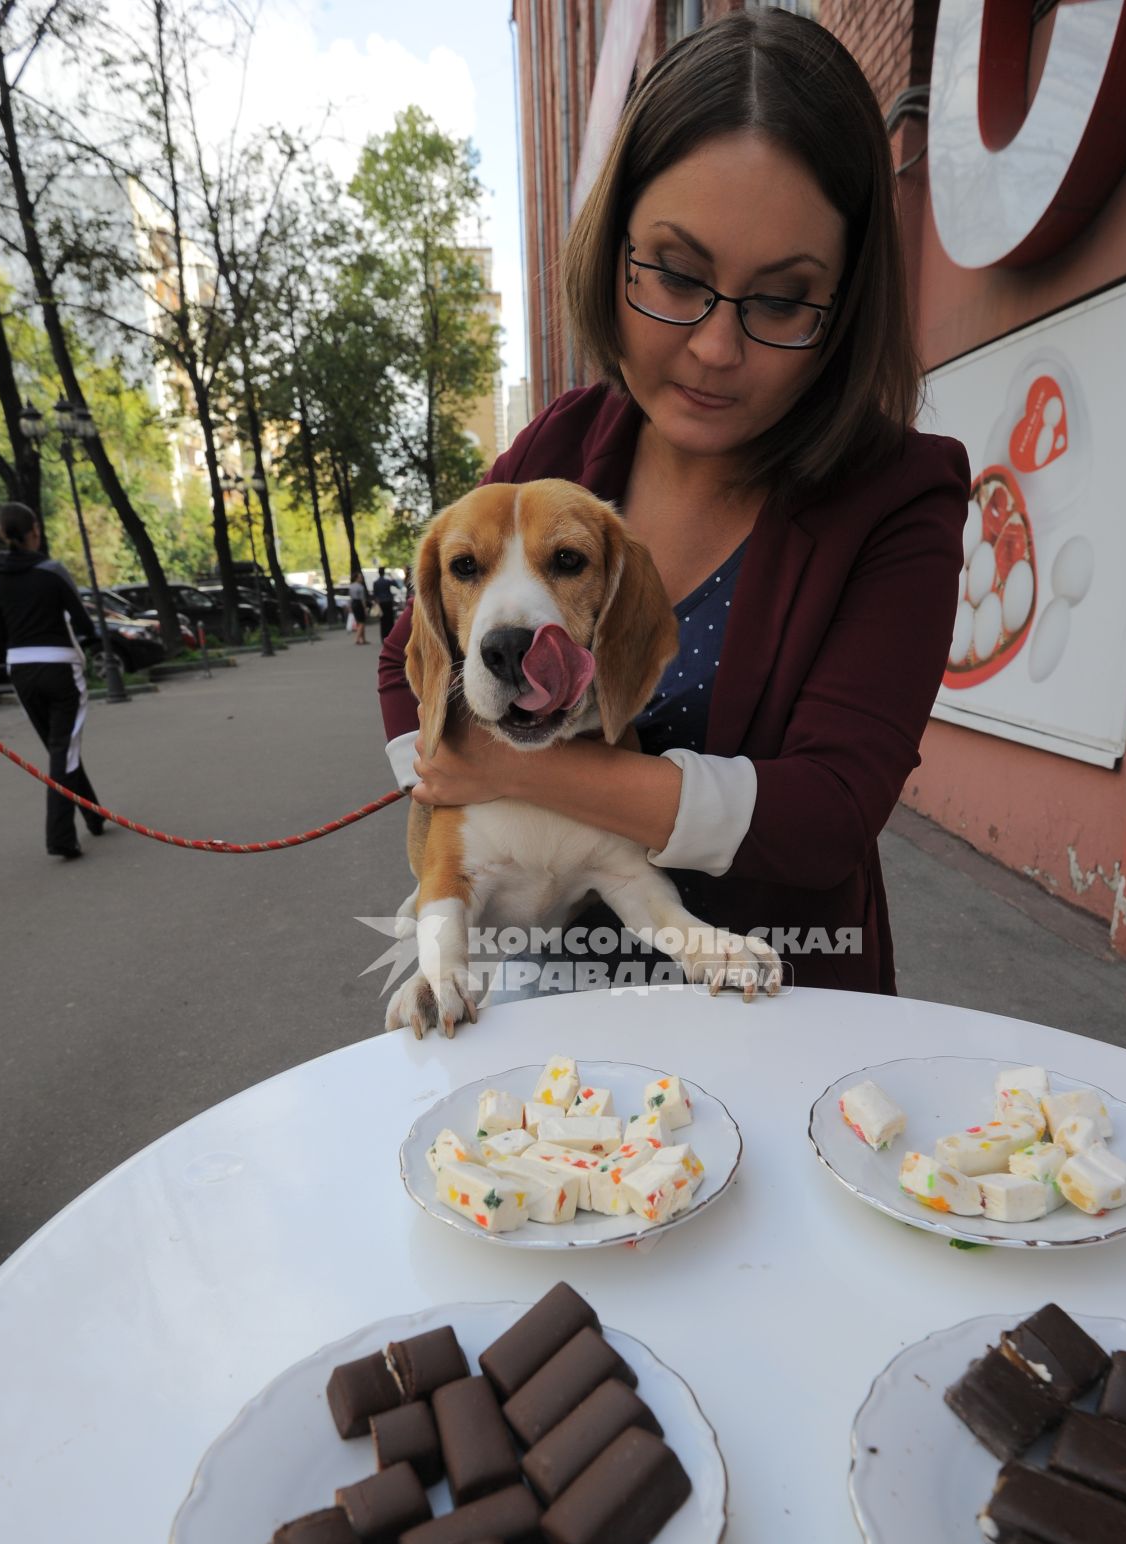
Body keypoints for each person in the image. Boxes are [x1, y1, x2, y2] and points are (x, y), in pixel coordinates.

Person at [377, 10, 970, 995]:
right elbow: (418, 663)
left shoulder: (899, 500)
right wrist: (457, 814)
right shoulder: (559, 445)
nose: (712, 347)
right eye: (675, 273)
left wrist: (512, 769)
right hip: (538, 1003)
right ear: (612, 249)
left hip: (772, 1008)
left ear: (846, 306)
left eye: (780, 298)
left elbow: (823, 813)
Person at [0, 502, 104, 861]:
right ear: (33, 530)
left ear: (4, 534)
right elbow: (84, 625)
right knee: (61, 750)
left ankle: (94, 815)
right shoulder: (52, 571)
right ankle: (61, 837)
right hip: (61, 669)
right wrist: (87, 639)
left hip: (21, 671)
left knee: (59, 748)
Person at [370, 565, 396, 642]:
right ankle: (391, 636)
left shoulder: (376, 583)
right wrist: (391, 576)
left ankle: (383, 637)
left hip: (381, 603)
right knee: (390, 620)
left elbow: (375, 594)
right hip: (388, 601)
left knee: (383, 620)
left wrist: (376, 602)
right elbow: (396, 584)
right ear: (384, 572)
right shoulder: (387, 581)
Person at [348, 567, 370, 644]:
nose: (362, 578)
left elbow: (350, 597)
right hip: (359, 604)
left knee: (358, 622)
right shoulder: (360, 587)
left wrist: (350, 606)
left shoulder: (351, 586)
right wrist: (365, 609)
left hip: (354, 603)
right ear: (357, 578)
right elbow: (362, 599)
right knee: (362, 622)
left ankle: (363, 639)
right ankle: (357, 639)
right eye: (360, 577)